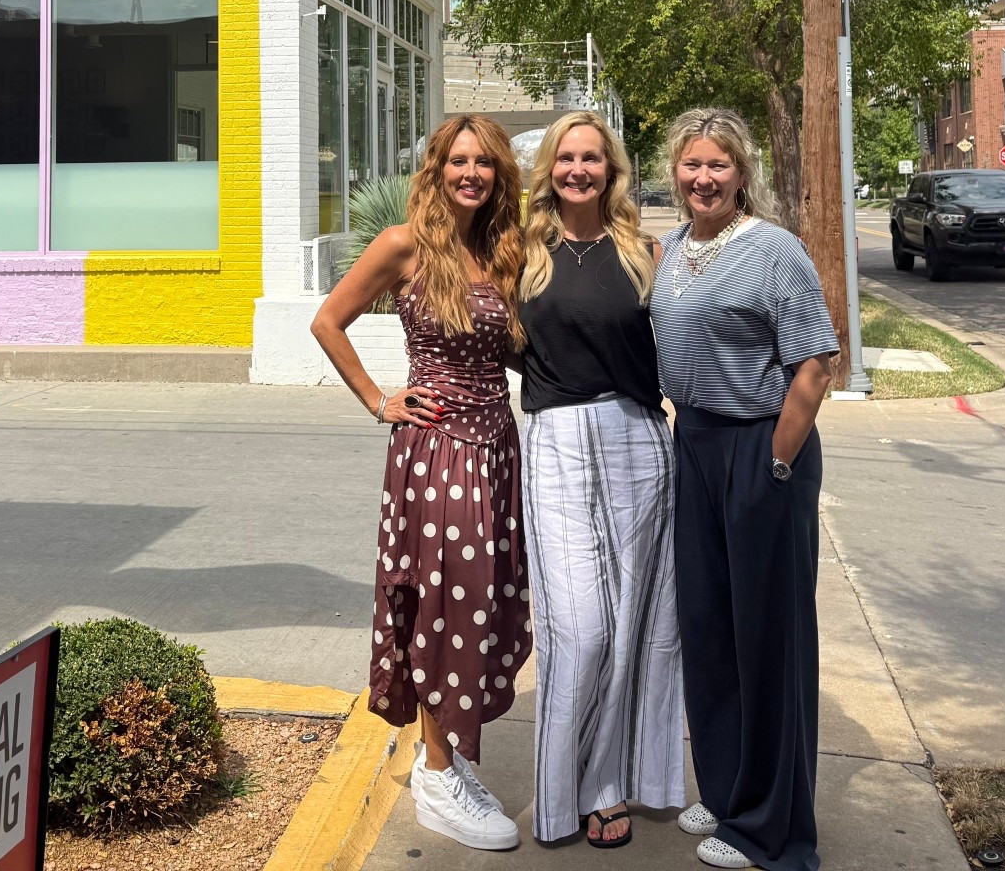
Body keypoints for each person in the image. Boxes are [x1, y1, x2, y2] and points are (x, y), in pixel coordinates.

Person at [310, 113, 532, 853]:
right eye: (458, 161)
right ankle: (437, 776)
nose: (471, 174)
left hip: (496, 447)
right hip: (437, 452)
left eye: (484, 163)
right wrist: (380, 400)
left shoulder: (501, 250)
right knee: (444, 604)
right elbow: (328, 321)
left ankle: (447, 757)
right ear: (436, 169)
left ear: (499, 175)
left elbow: (520, 352)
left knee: (482, 602)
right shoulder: (404, 245)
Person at [650, 108, 839, 871]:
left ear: (741, 173)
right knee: (709, 629)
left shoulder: (774, 249)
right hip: (693, 445)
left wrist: (777, 463)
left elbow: (815, 366)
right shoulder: (672, 248)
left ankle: (773, 830)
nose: (703, 178)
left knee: (768, 640)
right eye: (692, 165)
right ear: (675, 172)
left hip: (761, 447)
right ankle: (729, 792)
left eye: (718, 165)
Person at [516, 110, 684, 849]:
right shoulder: (521, 252)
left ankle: (609, 787)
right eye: (566, 158)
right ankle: (560, 793)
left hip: (637, 441)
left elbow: (689, 338)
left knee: (634, 629)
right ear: (549, 169)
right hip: (556, 442)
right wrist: (392, 396)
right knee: (579, 631)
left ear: (611, 170)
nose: (578, 169)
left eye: (592, 158)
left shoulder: (645, 252)